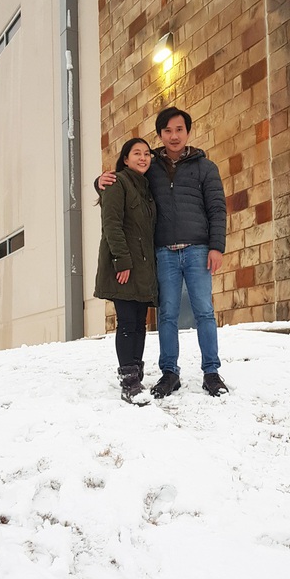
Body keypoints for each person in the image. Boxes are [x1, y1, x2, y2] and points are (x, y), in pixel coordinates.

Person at [98, 107, 228, 398]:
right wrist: (100, 183)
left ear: (188, 132)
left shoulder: (205, 167)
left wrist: (217, 246)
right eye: (167, 131)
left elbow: (217, 208)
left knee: (204, 312)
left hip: (198, 250)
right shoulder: (151, 166)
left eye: (179, 129)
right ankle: (170, 372)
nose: (174, 136)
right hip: (164, 253)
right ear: (160, 134)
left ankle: (211, 372)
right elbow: (124, 185)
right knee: (166, 314)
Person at [94, 138, 158, 403]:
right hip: (125, 266)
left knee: (140, 324)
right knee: (127, 323)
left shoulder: (146, 188)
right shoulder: (117, 182)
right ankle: (128, 380)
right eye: (137, 153)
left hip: (143, 268)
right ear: (126, 159)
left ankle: (136, 374)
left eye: (147, 154)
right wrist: (122, 261)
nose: (143, 158)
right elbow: (111, 224)